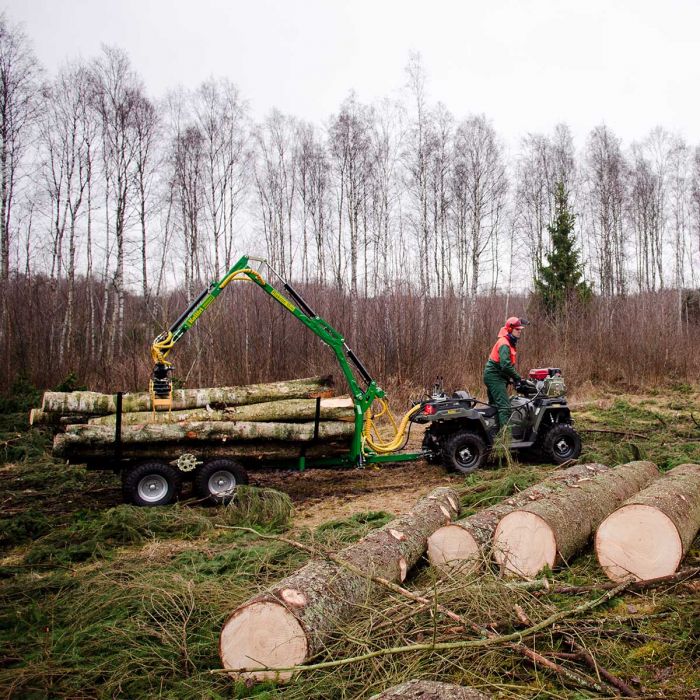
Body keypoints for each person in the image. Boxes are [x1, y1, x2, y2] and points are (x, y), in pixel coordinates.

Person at [483, 316, 529, 436]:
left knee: (494, 406)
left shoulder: (507, 341)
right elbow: (505, 365)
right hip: (494, 377)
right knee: (505, 407)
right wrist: (517, 377)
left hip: (494, 376)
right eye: (517, 329)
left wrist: (511, 378)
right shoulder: (504, 344)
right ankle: (505, 439)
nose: (520, 331)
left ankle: (493, 433)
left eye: (520, 329)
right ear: (510, 329)